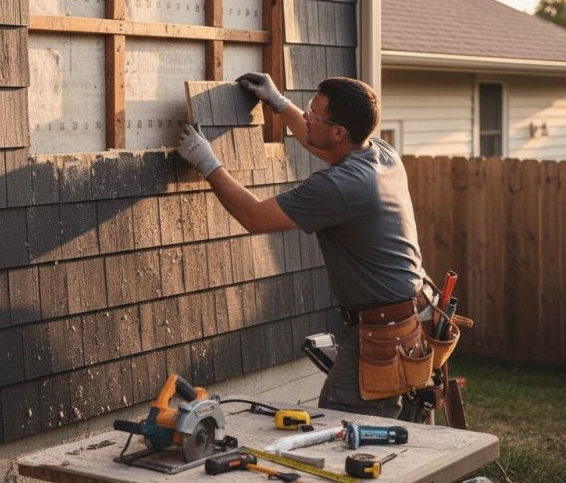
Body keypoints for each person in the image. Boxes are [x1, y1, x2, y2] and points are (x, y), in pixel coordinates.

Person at [176, 73, 426, 418]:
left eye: (314, 113)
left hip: (381, 335)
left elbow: (256, 217)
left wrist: (208, 162)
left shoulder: (341, 186)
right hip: (406, 320)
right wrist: (279, 104)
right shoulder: (379, 152)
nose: (306, 115)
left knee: (345, 427)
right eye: (309, 107)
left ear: (339, 132)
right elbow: (319, 141)